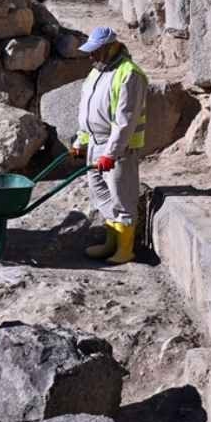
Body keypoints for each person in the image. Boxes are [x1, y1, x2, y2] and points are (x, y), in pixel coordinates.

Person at [70, 27, 148, 265]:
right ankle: (111, 243)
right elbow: (88, 109)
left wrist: (111, 153)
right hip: (95, 143)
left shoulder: (129, 74)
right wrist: (81, 141)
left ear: (109, 47)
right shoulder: (97, 71)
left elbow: (125, 121)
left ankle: (126, 250)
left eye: (95, 51)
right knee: (101, 193)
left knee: (122, 195)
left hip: (117, 148)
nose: (90, 56)